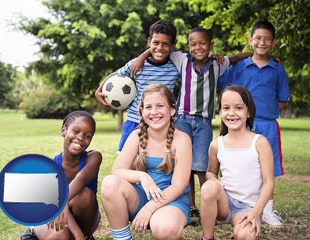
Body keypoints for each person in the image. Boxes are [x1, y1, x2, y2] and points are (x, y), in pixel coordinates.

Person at [131, 27, 251, 224]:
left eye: (203, 43)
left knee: (202, 165)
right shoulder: (182, 59)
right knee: (183, 165)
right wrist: (142, 57)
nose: (198, 47)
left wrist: (258, 55)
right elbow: (159, 48)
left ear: (211, 45)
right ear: (188, 46)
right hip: (182, 118)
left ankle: (208, 205)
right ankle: (191, 205)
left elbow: (237, 58)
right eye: (193, 44)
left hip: (204, 121)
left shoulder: (218, 64)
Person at [219, 20, 289, 227]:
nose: (262, 42)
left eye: (267, 39)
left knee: (269, 167)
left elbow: (282, 99)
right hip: (241, 124)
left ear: (273, 42)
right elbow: (224, 89)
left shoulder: (277, 69)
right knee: (240, 165)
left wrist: (264, 112)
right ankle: (235, 206)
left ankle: (267, 211)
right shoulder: (239, 66)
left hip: (267, 125)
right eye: (258, 38)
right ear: (251, 40)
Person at [100, 84, 192, 240]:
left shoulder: (182, 140)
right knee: (110, 183)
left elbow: (178, 186)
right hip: (140, 197)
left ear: (172, 110)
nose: (154, 112)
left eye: (160, 106)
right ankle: (123, 238)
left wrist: (150, 208)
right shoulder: (136, 136)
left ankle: (161, 220)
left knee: (165, 230)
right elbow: (117, 170)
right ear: (142, 112)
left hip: (170, 201)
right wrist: (143, 177)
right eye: (148, 107)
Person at [200, 85, 274, 240]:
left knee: (246, 236)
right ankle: (207, 237)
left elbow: (269, 183)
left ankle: (239, 232)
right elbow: (211, 172)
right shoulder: (216, 144)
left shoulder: (260, 143)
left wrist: (255, 212)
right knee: (208, 187)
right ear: (220, 112)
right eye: (226, 108)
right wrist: (215, 182)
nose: (231, 113)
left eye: (239, 108)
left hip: (247, 208)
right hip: (224, 204)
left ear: (248, 112)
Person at [95, 19, 179, 153]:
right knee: (126, 160)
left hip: (160, 123)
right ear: (148, 42)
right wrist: (99, 90)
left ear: (173, 45)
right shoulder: (137, 64)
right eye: (156, 43)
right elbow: (117, 74)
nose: (160, 48)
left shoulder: (176, 66)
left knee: (154, 161)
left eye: (166, 44)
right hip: (134, 121)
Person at [21, 111, 102, 240]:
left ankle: (85, 236)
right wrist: (77, 235)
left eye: (87, 135)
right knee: (60, 235)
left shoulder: (94, 157)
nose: (80, 137)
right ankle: (34, 233)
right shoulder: (51, 168)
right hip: (54, 217)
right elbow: (54, 207)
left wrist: (62, 202)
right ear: (63, 130)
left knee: (84, 194)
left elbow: (82, 179)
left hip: (82, 220)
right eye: (76, 131)